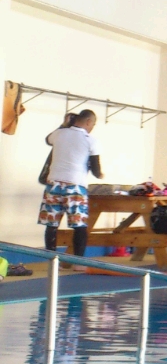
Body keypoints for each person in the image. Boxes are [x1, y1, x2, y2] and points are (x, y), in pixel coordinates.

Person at [41, 109, 103, 259]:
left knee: (51, 224)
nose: (92, 127)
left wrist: (64, 125)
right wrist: (100, 175)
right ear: (88, 121)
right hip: (75, 186)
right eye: (93, 124)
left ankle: (52, 261)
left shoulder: (59, 133)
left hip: (53, 184)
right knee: (79, 226)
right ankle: (78, 263)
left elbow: (47, 140)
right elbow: (96, 170)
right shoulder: (91, 140)